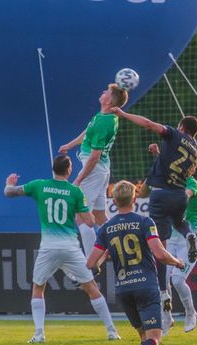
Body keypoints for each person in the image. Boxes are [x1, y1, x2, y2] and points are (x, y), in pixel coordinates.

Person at [4, 155, 120, 343]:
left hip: (49, 247)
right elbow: (90, 222)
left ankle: (39, 334)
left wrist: (9, 183)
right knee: (91, 288)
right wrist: (82, 210)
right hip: (70, 248)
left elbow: (9, 193)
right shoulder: (75, 191)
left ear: (53, 168)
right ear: (69, 170)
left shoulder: (39, 185)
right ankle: (111, 331)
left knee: (38, 287)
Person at [86, 180, 185, 345]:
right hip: (146, 287)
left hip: (123, 289)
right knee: (155, 338)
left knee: (144, 338)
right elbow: (159, 253)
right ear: (134, 198)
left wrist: (103, 259)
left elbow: (90, 262)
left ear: (114, 201)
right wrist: (177, 262)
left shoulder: (106, 228)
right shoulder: (144, 222)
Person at [111, 107, 197, 314]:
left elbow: (149, 124)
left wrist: (123, 114)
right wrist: (159, 154)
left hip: (160, 195)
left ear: (181, 126)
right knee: (180, 223)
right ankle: (189, 235)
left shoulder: (174, 134)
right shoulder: (194, 152)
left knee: (159, 246)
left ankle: (163, 292)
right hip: (179, 196)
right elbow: (178, 168)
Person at [59, 83, 128, 258]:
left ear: (109, 101)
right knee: (99, 216)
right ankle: (122, 248)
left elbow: (94, 156)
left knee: (81, 216)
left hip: (94, 171)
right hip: (102, 170)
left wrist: (78, 180)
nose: (103, 92)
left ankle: (92, 263)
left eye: (107, 92)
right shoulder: (105, 116)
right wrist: (70, 144)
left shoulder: (104, 122)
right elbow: (88, 131)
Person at [139, 144, 197, 335]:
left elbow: (186, 195)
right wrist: (158, 160)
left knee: (177, 280)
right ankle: (167, 318)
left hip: (189, 238)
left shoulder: (191, 183)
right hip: (169, 239)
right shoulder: (167, 181)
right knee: (162, 281)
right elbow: (143, 192)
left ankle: (190, 312)